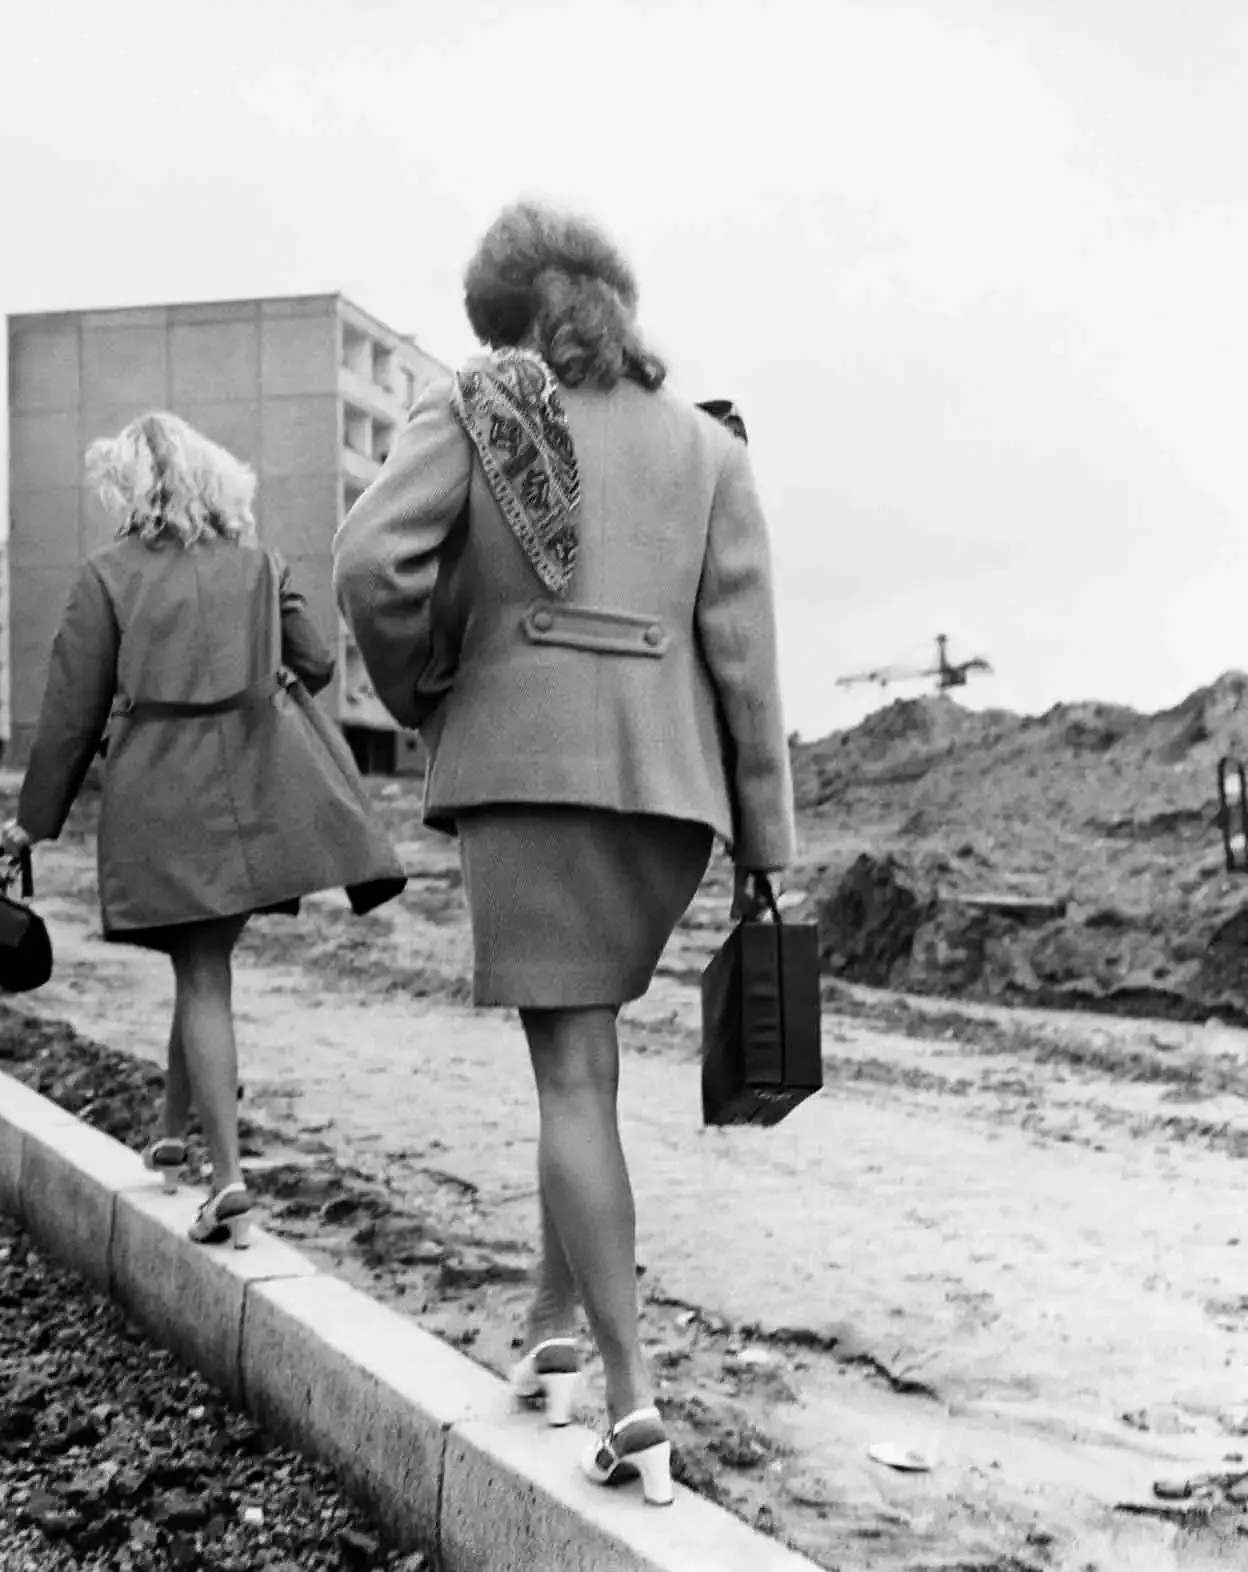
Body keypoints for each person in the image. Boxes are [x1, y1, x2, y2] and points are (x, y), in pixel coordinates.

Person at [332, 200, 796, 1505]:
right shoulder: (709, 445)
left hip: (529, 775)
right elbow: (747, 659)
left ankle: (634, 1395)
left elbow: (370, 561)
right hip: (666, 796)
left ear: (515, 319)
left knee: (572, 1081)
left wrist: (432, 683)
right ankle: (550, 1330)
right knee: (582, 1067)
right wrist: (766, 841)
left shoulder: (488, 408)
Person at [1, 412, 407, 1246]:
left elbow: (69, 717)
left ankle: (226, 1179)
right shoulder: (261, 564)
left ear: (130, 491)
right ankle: (176, 1133)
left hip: (160, 787)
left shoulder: (107, 576)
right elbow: (322, 662)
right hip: (252, 787)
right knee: (205, 967)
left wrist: (31, 823)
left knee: (201, 978)